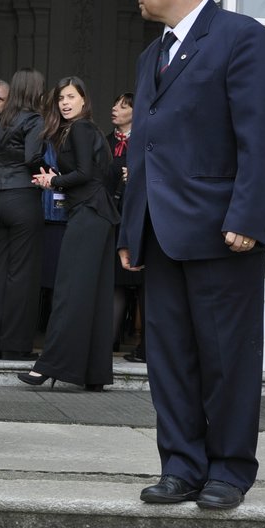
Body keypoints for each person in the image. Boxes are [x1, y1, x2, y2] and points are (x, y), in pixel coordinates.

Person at [118, 0, 265, 512]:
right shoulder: (152, 56)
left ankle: (230, 469)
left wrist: (247, 214)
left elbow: (261, 137)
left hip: (221, 233)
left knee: (227, 358)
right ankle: (181, 466)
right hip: (163, 236)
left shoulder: (241, 38)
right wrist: (130, 231)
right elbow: (144, 150)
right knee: (170, 359)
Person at [18, 77, 118, 391]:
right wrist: (58, 179)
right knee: (91, 294)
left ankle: (47, 366)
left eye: (71, 97)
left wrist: (55, 182)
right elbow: (95, 174)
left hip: (89, 215)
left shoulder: (82, 129)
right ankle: (93, 374)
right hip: (94, 213)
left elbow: (86, 174)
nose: (65, 103)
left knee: (69, 292)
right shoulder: (80, 131)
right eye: (61, 97)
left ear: (84, 100)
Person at [0, 68, 47, 361]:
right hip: (23, 198)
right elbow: (32, 157)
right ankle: (16, 346)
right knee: (22, 274)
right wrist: (46, 175)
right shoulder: (34, 120)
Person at [108, 92, 144, 362]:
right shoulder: (106, 142)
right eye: (116, 104)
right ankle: (108, 342)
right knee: (116, 281)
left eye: (123, 106)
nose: (115, 109)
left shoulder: (143, 143)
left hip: (138, 218)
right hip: (113, 217)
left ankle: (146, 346)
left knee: (144, 282)